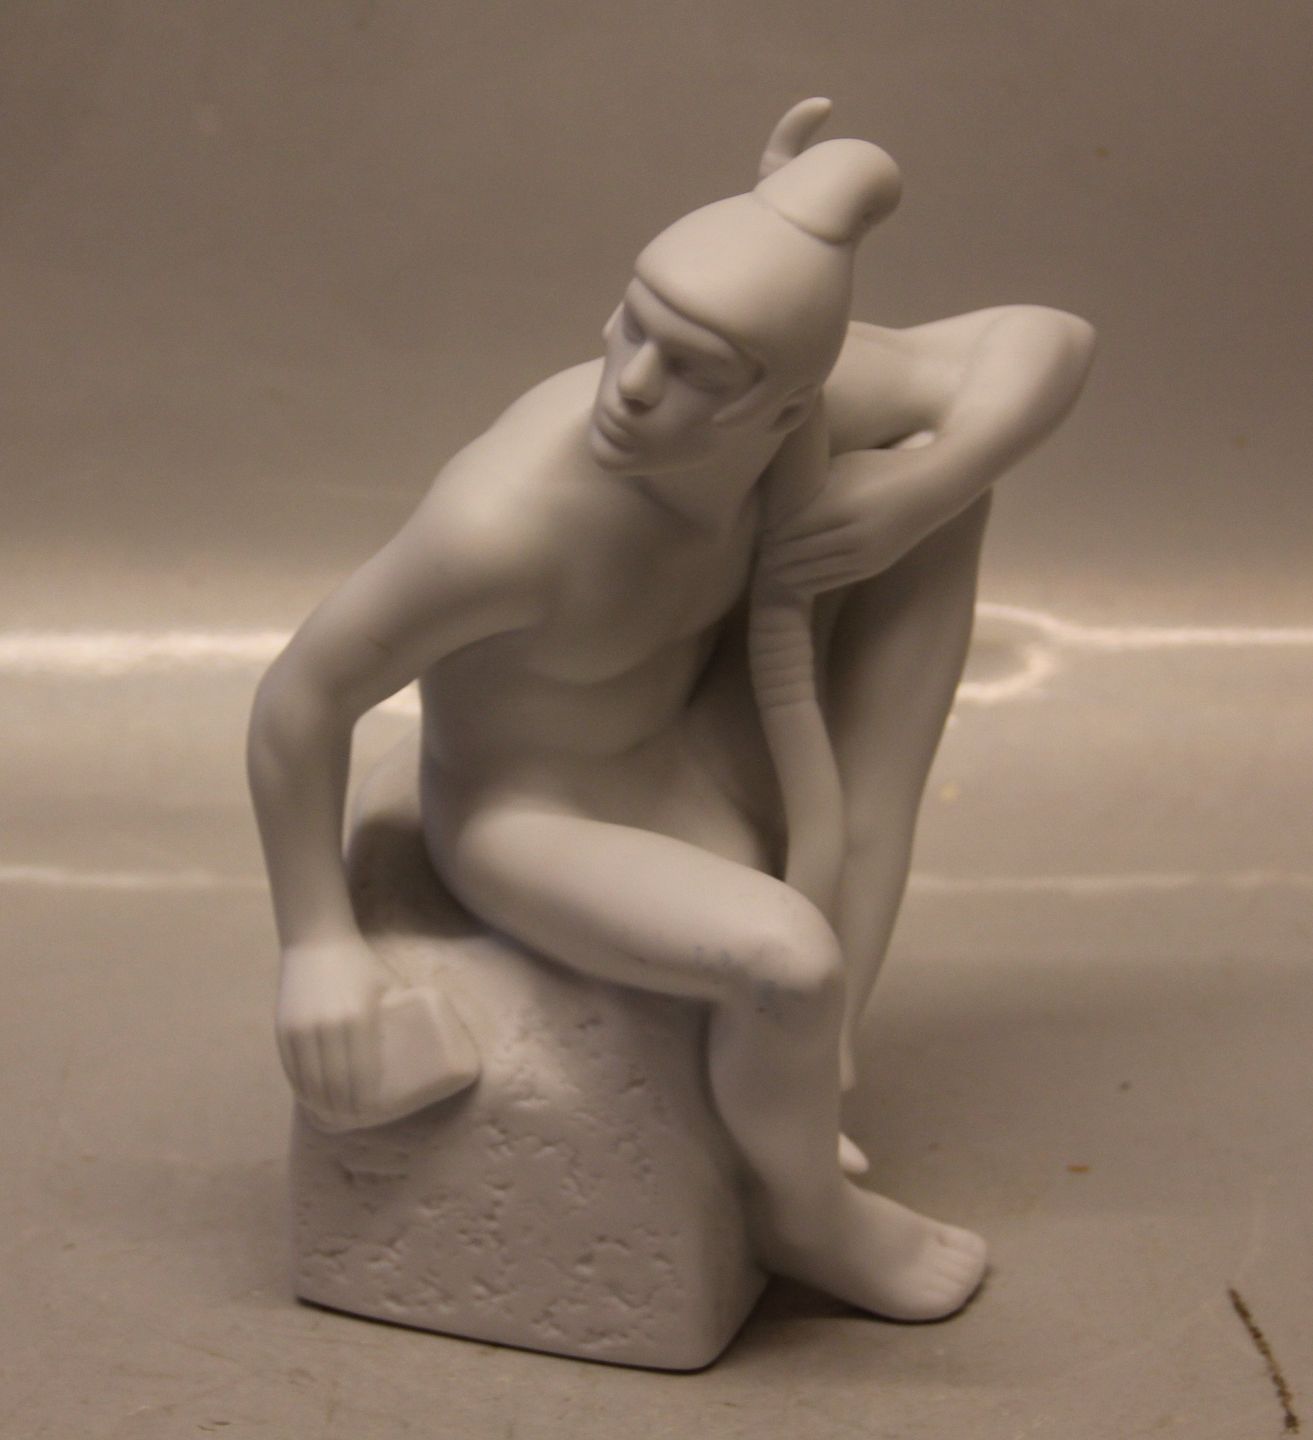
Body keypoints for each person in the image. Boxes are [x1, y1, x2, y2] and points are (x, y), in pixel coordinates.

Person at [248, 101, 1094, 1321]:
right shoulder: (506, 525)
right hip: (533, 811)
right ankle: (805, 1213)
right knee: (784, 961)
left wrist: (923, 489)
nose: (633, 384)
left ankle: (816, 1051)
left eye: (693, 368)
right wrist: (316, 946)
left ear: (780, 406)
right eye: (632, 327)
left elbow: (1044, 339)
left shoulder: (804, 415)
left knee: (944, 483)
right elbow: (301, 695)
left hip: (693, 741)